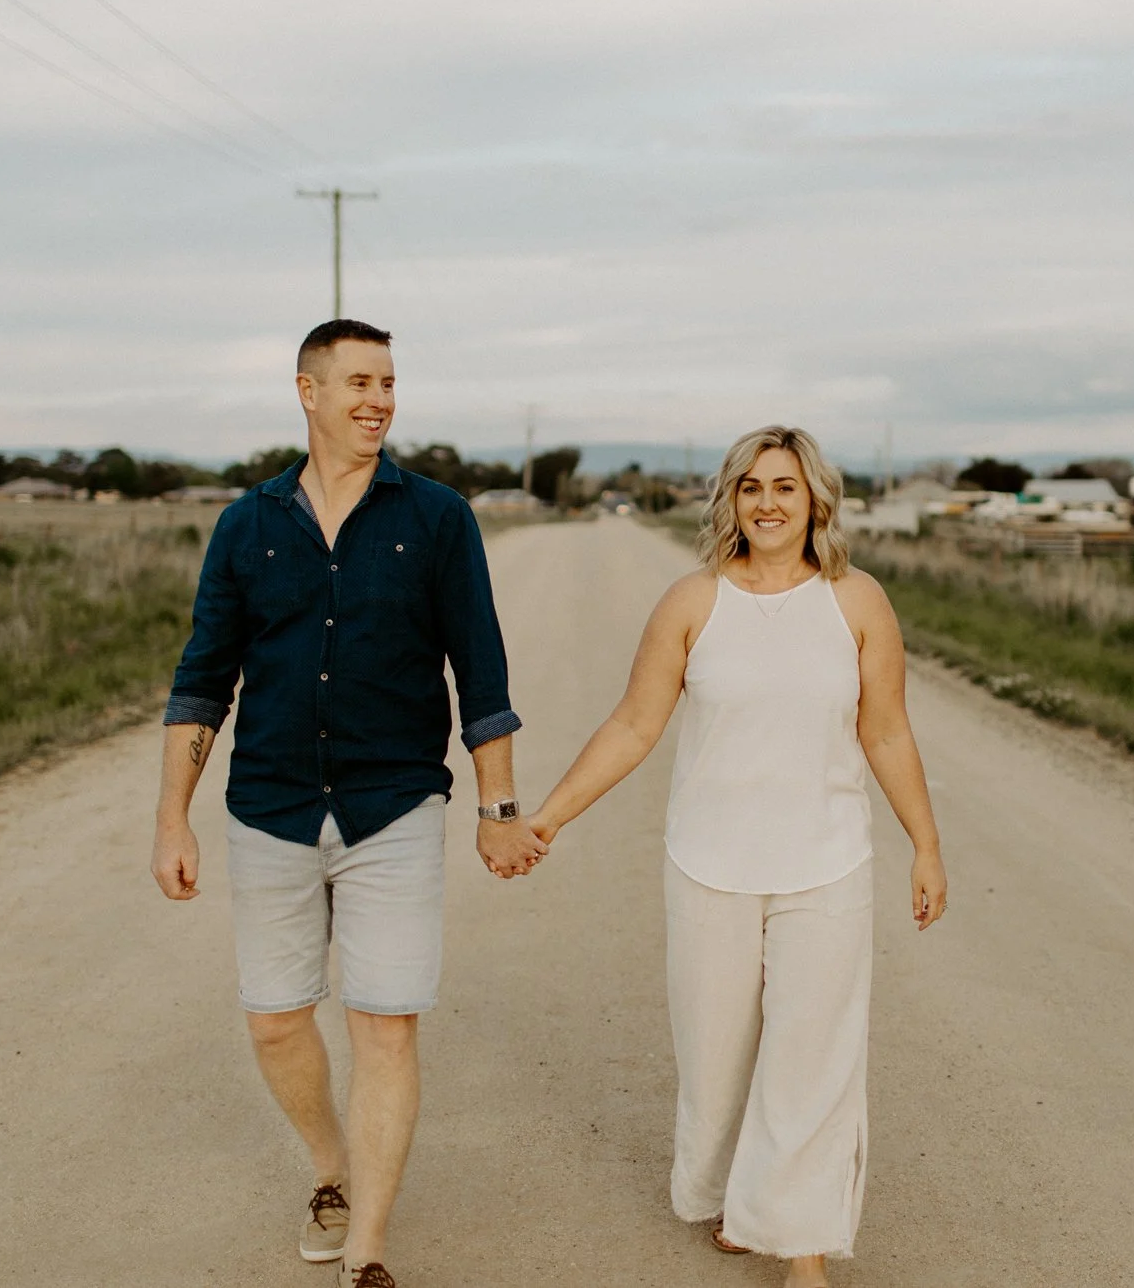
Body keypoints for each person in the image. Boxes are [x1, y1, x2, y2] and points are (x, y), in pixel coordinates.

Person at [150, 319, 547, 1288]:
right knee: (275, 1019)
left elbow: (480, 671)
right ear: (308, 391)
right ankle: (332, 1164)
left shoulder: (438, 518)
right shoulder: (246, 524)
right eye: (360, 382)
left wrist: (497, 809)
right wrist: (171, 817)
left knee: (385, 1022)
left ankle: (366, 1245)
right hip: (270, 806)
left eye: (389, 383)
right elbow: (203, 679)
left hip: (393, 806)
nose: (379, 400)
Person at [526, 424, 948, 1288]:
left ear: (815, 498)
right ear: (730, 499)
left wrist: (926, 844)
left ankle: (804, 1249)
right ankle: (735, 1197)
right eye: (751, 487)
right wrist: (549, 818)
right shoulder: (693, 601)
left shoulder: (857, 601)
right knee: (714, 1058)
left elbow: (886, 730)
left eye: (785, 486)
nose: (767, 502)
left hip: (826, 863)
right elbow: (634, 725)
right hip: (709, 862)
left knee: (813, 1055)